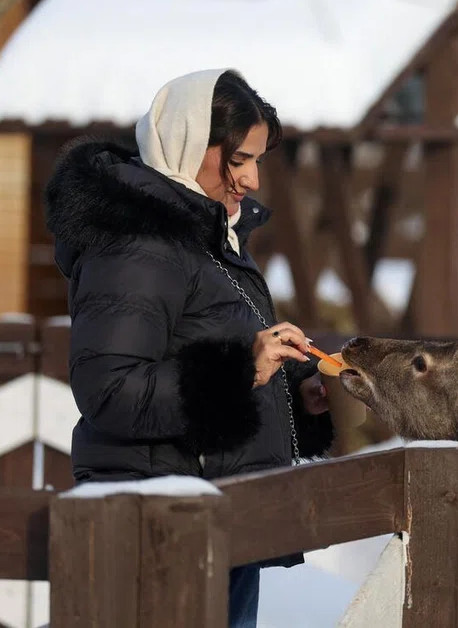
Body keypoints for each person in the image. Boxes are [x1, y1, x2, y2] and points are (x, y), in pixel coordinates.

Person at [43, 68, 334, 627]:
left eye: (257, 161)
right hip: (157, 526)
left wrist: (298, 396)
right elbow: (110, 390)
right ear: (185, 143)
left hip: (212, 515)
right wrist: (243, 370)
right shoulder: (136, 244)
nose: (250, 179)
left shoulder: (206, 240)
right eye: (237, 159)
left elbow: (205, 365)